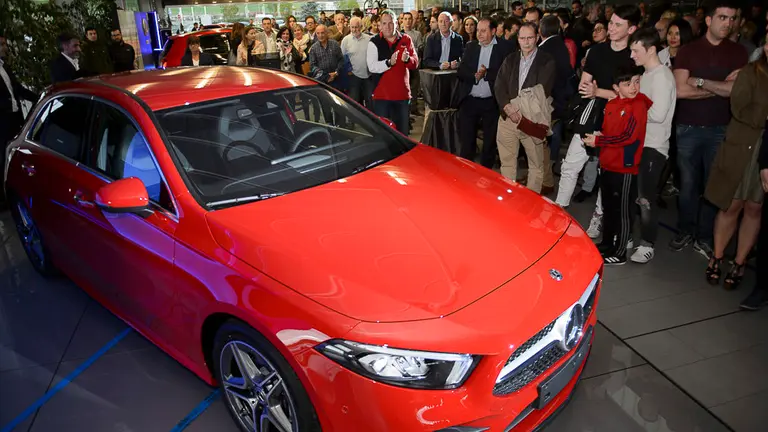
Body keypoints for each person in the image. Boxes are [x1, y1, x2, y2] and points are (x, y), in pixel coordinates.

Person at [670, 1, 749, 258]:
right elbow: (680, 90)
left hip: (720, 129)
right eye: (723, 17)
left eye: (732, 18)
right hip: (688, 127)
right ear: (709, 20)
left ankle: (703, 237)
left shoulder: (739, 53)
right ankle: (685, 231)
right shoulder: (688, 51)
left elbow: (735, 91)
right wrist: (718, 88)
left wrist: (701, 82)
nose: (728, 23)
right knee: (688, 185)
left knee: (712, 187)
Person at [556, 5, 640, 211]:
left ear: (631, 29)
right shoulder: (597, 51)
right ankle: (558, 209)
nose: (611, 28)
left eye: (618, 25)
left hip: (617, 121)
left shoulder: (634, 57)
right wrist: (594, 91)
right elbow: (584, 86)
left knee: (607, 174)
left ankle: (598, 218)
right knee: (570, 166)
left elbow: (632, 96)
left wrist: (599, 92)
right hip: (591, 115)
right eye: (611, 23)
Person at [703, 42, 768, 290]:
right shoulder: (751, 72)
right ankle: (717, 256)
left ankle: (739, 262)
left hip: (766, 151)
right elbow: (739, 108)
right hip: (742, 146)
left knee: (754, 207)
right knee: (731, 205)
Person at [583, 66, 652, 265]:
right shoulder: (613, 105)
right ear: (616, 87)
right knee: (609, 207)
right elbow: (611, 133)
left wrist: (599, 142)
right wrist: (599, 137)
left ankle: (620, 251)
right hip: (608, 163)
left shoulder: (638, 105)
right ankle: (607, 243)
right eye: (627, 83)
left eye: (637, 81)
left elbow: (628, 138)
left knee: (622, 211)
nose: (633, 87)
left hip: (625, 166)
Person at [628, 28, 677, 264]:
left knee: (646, 197)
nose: (632, 55)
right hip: (639, 142)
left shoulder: (663, 76)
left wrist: (633, 104)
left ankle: (648, 243)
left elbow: (657, 114)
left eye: (636, 51)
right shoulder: (646, 75)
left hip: (654, 146)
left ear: (650, 49)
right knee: (633, 193)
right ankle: (630, 236)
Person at [494, 22, 555, 193]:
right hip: (507, 118)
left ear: (537, 38)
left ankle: (531, 202)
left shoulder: (547, 61)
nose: (526, 42)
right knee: (507, 162)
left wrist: (516, 109)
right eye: (522, 38)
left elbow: (540, 91)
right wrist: (507, 107)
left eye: (530, 38)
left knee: (536, 165)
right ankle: (507, 198)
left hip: (532, 120)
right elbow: (499, 85)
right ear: (518, 39)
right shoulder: (511, 59)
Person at [457, 17, 510, 168]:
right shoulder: (471, 46)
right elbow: (461, 71)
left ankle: (486, 171)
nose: (479, 34)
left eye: (483, 31)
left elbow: (505, 74)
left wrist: (486, 74)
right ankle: (465, 170)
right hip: (470, 100)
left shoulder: (504, 48)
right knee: (467, 140)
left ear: (493, 31)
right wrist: (474, 76)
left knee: (490, 141)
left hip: (491, 101)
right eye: (478, 30)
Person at [539, 15, 576, 195]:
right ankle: (548, 174)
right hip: (559, 100)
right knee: (552, 137)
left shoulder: (545, 48)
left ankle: (544, 179)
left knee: (541, 141)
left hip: (548, 102)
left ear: (541, 30)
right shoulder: (561, 45)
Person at [366, 9, 419, 135]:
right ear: (380, 25)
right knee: (384, 135)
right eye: (384, 23)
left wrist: (407, 60)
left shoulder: (406, 39)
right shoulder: (374, 42)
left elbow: (415, 63)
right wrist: (389, 63)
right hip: (381, 97)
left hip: (402, 96)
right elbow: (372, 67)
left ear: (396, 23)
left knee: (402, 134)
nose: (388, 26)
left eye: (391, 23)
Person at [1, 32, 39, 191]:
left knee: (15, 152)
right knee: (3, 155)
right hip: (2, 120)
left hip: (15, 117)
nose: (5, 48)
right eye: (2, 45)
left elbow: (17, 89)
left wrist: (39, 97)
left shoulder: (5, 67)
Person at [341, 17, 373, 108]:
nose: (354, 29)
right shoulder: (346, 40)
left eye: (356, 27)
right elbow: (342, 58)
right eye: (352, 27)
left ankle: (370, 121)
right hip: (353, 76)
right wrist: (348, 71)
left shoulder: (369, 39)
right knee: (355, 103)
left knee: (370, 101)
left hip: (368, 75)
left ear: (361, 27)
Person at [309, 25, 344, 90]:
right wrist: (326, 76)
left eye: (322, 33)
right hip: (322, 81)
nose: (320, 35)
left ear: (327, 33)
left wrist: (336, 73)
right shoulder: (313, 48)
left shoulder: (335, 44)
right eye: (318, 33)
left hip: (337, 78)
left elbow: (341, 60)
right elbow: (312, 66)